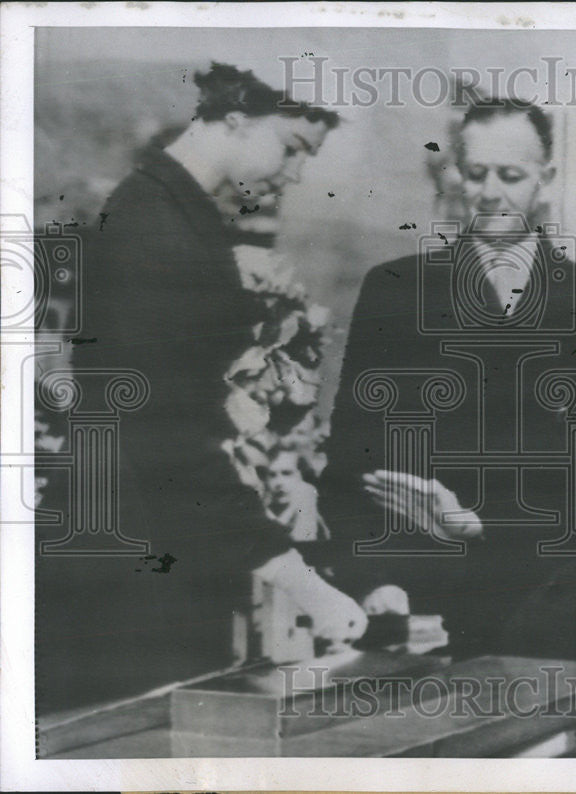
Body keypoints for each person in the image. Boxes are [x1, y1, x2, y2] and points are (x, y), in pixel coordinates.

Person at [36, 63, 344, 710]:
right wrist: (292, 572)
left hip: (146, 541)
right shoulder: (156, 224)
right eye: (292, 150)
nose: (293, 176)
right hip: (129, 556)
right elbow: (171, 433)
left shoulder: (173, 209)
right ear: (236, 117)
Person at [314, 100, 576, 663]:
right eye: (475, 173)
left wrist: (482, 524)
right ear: (455, 173)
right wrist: (371, 583)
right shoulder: (396, 290)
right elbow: (351, 460)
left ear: (546, 180)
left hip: (553, 612)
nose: (489, 192)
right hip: (420, 612)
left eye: (510, 176)